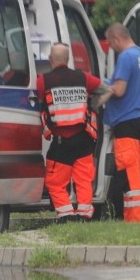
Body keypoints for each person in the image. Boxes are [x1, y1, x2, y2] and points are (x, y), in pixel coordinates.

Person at [38, 43, 107, 222]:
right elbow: (107, 90)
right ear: (68, 60)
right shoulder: (83, 78)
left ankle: (66, 214)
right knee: (83, 181)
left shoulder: (43, 81)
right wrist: (94, 105)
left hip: (62, 142)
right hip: (83, 139)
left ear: (50, 60)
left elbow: (32, 101)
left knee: (54, 182)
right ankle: (84, 216)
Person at [97, 23, 140, 222]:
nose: (111, 47)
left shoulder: (126, 57)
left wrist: (102, 91)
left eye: (110, 43)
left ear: (117, 39)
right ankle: (120, 215)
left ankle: (130, 218)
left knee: (127, 174)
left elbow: (119, 89)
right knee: (131, 171)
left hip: (126, 122)